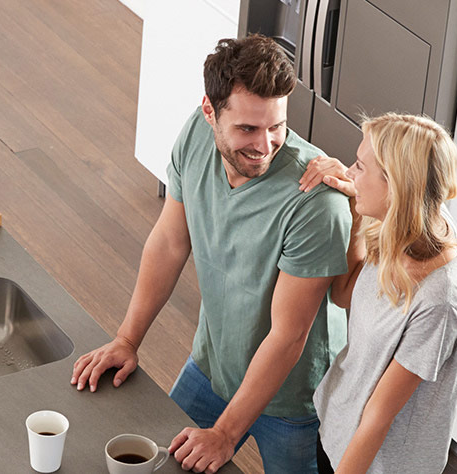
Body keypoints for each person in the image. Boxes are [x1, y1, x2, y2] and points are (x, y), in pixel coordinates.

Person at [69, 34, 357, 473]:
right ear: (210, 112)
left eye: (276, 126)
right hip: (214, 365)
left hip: (294, 401)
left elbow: (288, 336)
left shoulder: (317, 202)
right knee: (158, 467)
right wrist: (128, 340)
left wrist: (225, 435)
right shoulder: (195, 137)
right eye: (247, 129)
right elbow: (170, 241)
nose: (264, 145)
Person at [296, 113, 457, 473]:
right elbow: (345, 295)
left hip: (377, 463)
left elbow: (379, 416)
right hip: (338, 430)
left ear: (396, 185)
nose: (349, 172)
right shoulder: (402, 225)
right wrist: (355, 208)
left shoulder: (440, 299)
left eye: (360, 167)